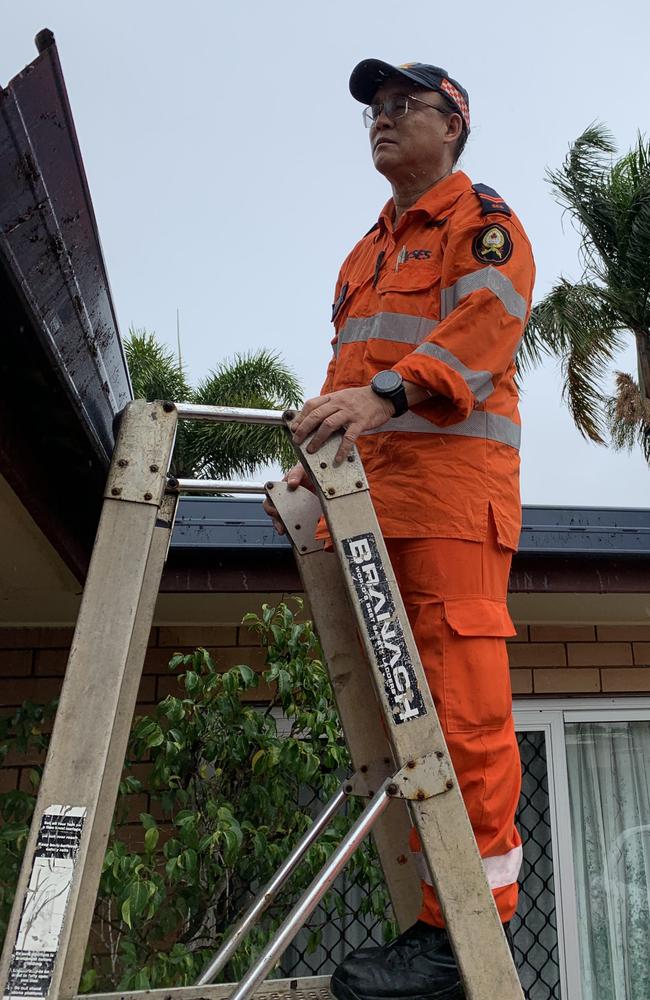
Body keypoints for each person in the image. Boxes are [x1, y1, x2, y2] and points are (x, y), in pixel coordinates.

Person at [264, 58, 535, 999]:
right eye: (373, 110)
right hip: (371, 509)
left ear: (451, 125)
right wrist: (319, 453)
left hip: (452, 504)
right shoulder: (363, 253)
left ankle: (468, 935)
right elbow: (348, 375)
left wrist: (384, 394)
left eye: (401, 106)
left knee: (461, 714)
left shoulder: (484, 226)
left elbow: (484, 332)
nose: (381, 120)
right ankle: (433, 920)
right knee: (404, 722)